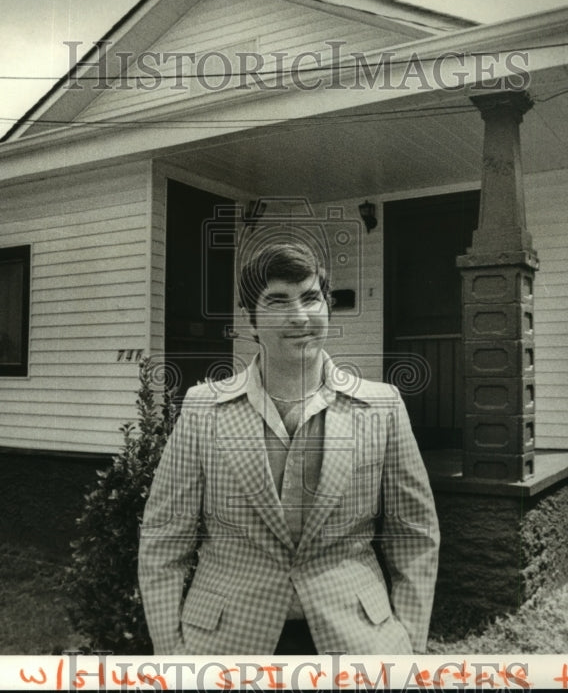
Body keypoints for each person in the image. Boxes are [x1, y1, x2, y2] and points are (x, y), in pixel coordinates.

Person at [138, 240, 439, 655]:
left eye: (311, 298)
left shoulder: (382, 407)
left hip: (359, 643)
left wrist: (410, 640)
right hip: (226, 645)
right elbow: (164, 540)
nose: (300, 317)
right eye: (278, 301)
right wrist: (169, 651)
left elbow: (415, 536)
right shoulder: (203, 408)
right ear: (252, 320)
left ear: (328, 308)